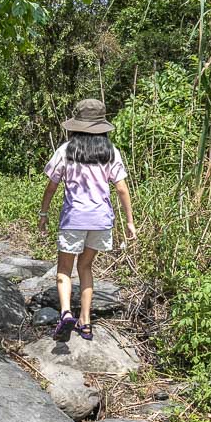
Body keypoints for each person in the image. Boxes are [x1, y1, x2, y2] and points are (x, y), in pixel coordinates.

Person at [37, 98, 136, 342]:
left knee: (64, 270)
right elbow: (122, 189)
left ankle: (66, 313)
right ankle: (86, 322)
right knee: (86, 267)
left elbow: (51, 187)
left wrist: (44, 213)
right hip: (101, 220)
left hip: (73, 219)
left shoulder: (65, 150)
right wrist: (130, 222)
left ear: (76, 124)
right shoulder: (110, 151)